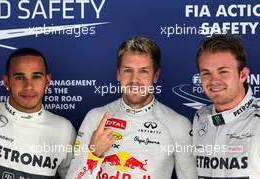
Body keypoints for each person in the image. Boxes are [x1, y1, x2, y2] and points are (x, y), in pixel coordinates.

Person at [66, 36, 197, 179]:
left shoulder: (178, 125)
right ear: (118, 74)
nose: (135, 80)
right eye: (128, 70)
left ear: (156, 75)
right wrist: (94, 155)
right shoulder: (95, 117)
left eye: (143, 71)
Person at [0, 48, 76, 178]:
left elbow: (75, 176)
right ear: (6, 81)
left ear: (47, 81)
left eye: (36, 76)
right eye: (19, 77)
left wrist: (95, 155)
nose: (28, 86)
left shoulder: (64, 129)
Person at [193, 35, 260, 178]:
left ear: (243, 75)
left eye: (223, 72)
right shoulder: (200, 118)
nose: (214, 81)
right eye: (206, 73)